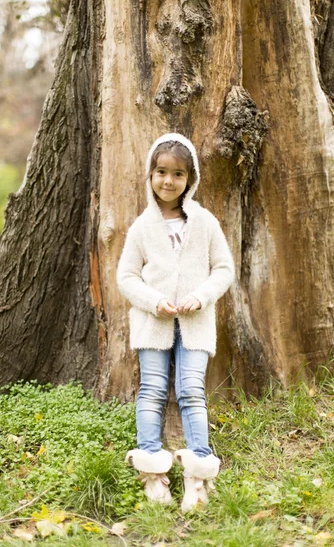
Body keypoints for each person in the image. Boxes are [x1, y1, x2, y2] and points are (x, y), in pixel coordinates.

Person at [116, 133, 235, 511]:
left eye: (178, 174)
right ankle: (152, 471)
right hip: (153, 324)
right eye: (161, 172)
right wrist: (154, 302)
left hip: (196, 324)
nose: (168, 181)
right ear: (151, 174)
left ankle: (198, 475)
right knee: (152, 390)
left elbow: (224, 269)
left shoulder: (204, 222)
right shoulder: (142, 227)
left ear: (190, 178)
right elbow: (127, 277)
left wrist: (202, 295)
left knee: (190, 391)